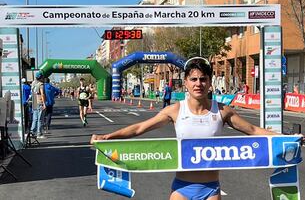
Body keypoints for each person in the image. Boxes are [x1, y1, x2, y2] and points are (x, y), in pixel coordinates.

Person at [90, 56, 278, 200]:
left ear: (210, 82)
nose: (198, 84)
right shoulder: (175, 110)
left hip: (211, 188)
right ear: (186, 82)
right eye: (194, 79)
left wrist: (285, 137)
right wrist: (107, 137)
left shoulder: (221, 111)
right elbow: (140, 128)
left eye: (203, 79)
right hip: (182, 189)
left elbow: (252, 130)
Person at [30, 72, 46, 139]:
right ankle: (39, 133)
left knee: (35, 119)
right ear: (41, 77)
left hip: (34, 103)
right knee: (40, 119)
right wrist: (44, 103)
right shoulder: (41, 84)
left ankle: (32, 132)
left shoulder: (33, 83)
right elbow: (42, 94)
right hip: (40, 102)